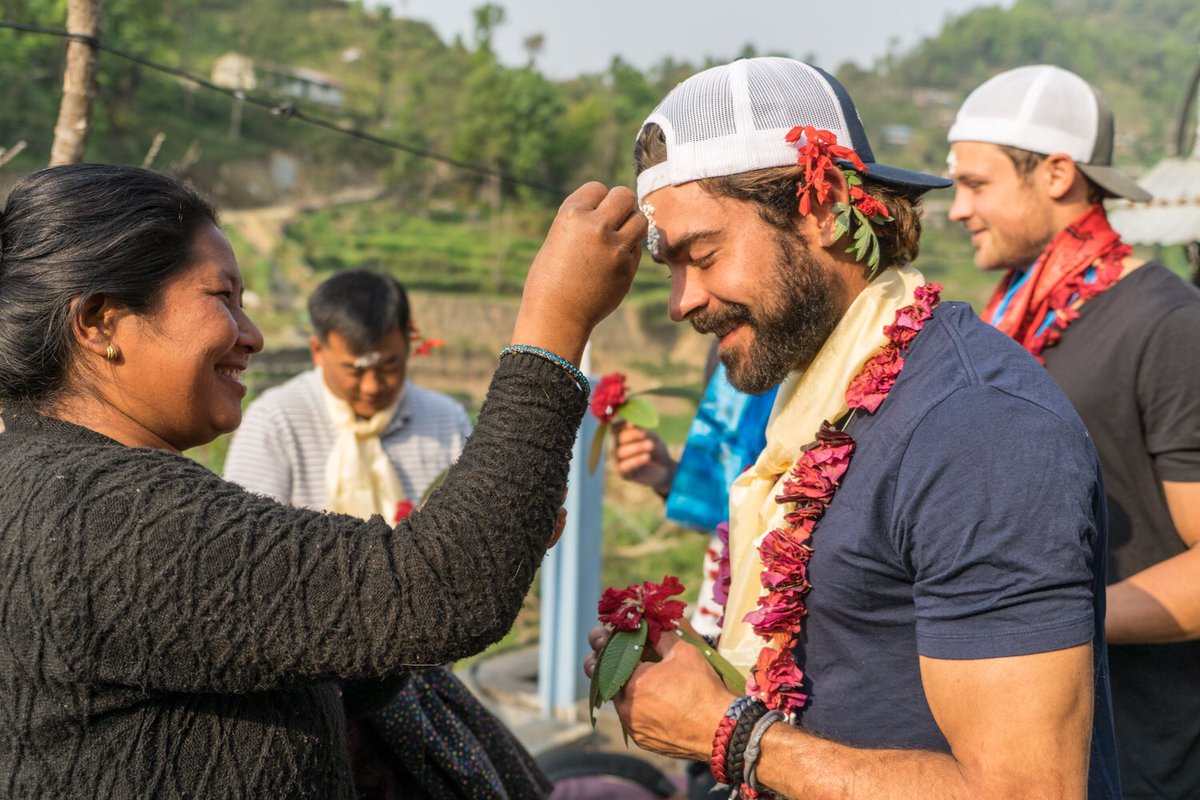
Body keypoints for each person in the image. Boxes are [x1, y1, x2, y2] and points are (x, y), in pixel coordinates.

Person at [0, 163, 644, 798]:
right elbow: (442, 586)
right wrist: (554, 320)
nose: (250, 336)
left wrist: (491, 527)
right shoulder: (104, 512)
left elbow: (295, 651)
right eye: (221, 298)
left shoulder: (53, 486)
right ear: (100, 322)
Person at [586, 57, 1119, 799]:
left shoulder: (978, 429)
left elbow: (1028, 790)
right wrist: (696, 679)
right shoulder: (820, 398)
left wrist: (731, 733)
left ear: (822, 206)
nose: (682, 300)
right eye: (670, 267)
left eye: (702, 255)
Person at [947, 64, 1200, 799]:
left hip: (1148, 757)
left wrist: (1034, 617)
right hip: (1034, 745)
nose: (958, 208)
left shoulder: (1166, 326)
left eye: (977, 183)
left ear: (1057, 173)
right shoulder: (1015, 322)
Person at [223, 269, 550, 797]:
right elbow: (248, 567)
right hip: (313, 686)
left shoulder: (444, 421)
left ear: (411, 343)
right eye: (355, 371)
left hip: (421, 674)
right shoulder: (275, 423)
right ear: (316, 349)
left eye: (390, 367)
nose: (374, 386)